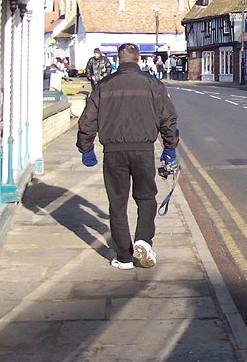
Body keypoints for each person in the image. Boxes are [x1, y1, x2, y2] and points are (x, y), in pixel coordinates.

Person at [77, 43, 180, 270]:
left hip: (113, 152)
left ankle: (124, 256)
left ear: (118, 60)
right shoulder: (153, 84)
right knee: (145, 198)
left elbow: (87, 120)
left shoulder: (104, 86)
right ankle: (144, 239)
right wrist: (169, 148)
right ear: (138, 59)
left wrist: (86, 148)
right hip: (143, 150)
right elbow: (168, 118)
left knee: (117, 203)